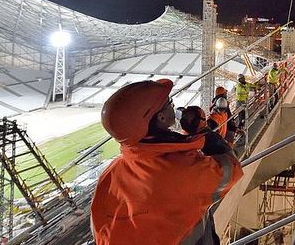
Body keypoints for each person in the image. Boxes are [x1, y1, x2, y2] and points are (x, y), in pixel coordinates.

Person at [91, 79, 243, 245]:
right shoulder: (185, 170)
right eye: (169, 102)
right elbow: (232, 167)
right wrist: (203, 132)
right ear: (162, 117)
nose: (174, 105)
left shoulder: (110, 173)